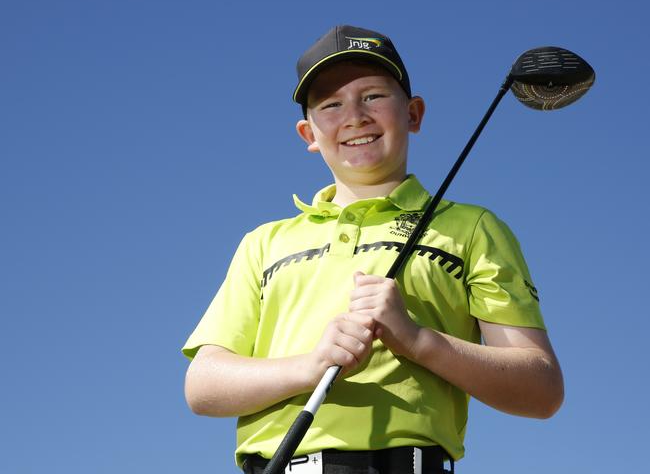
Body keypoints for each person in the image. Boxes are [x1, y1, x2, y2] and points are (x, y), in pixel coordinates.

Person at [182, 25, 564, 474]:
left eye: (373, 97)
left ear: (414, 114)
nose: (354, 116)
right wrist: (311, 366)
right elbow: (203, 386)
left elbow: (540, 388)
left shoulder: (472, 228)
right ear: (308, 132)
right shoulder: (264, 242)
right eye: (331, 104)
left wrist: (418, 340)